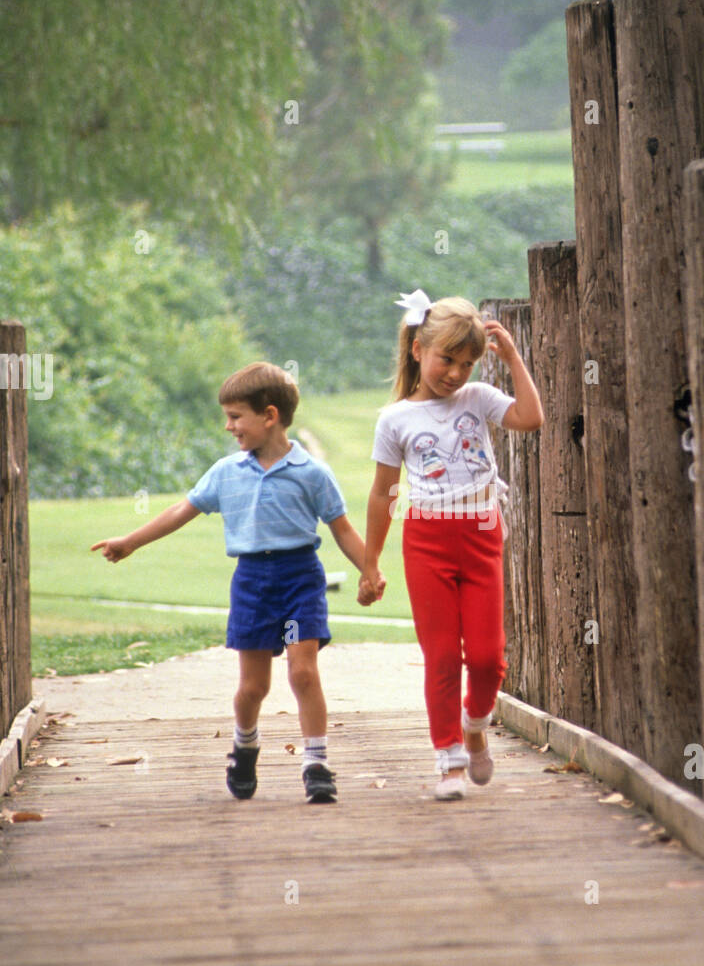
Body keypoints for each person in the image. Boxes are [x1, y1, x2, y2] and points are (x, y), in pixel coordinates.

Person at [91, 361, 378, 804]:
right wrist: (131, 541)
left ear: (270, 415)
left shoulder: (313, 473)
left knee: (303, 672)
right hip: (252, 582)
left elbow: (341, 529)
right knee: (253, 688)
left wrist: (369, 570)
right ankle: (245, 745)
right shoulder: (226, 472)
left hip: (301, 577)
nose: (229, 426)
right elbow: (179, 512)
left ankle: (316, 763)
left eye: (235, 416)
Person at [358, 290, 543, 800]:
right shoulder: (394, 419)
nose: (457, 373)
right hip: (427, 541)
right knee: (442, 657)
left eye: (468, 363)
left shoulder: (479, 398)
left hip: (482, 536)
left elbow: (531, 419)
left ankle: (475, 724)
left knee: (487, 657)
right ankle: (449, 761)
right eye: (448, 359)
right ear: (418, 349)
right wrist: (370, 563)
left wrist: (511, 359)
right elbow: (383, 492)